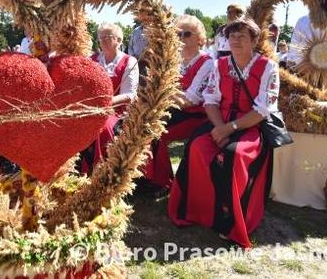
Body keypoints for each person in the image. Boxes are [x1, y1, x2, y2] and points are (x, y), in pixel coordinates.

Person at [168, 18, 279, 248]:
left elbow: (262, 110)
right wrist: (219, 127)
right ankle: (198, 211)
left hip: (250, 126)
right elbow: (210, 101)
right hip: (220, 121)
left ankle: (229, 219)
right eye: (232, 37)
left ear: (254, 40)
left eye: (242, 37)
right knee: (196, 146)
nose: (236, 41)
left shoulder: (268, 67)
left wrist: (230, 129)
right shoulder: (220, 65)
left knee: (233, 154)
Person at [142, 15, 213, 189]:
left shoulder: (207, 63)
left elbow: (189, 100)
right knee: (141, 125)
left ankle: (161, 183)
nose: (181, 38)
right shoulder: (175, 61)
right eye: (177, 34)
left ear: (200, 39)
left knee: (157, 133)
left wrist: (161, 89)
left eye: (187, 34)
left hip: (198, 116)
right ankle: (143, 178)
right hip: (174, 111)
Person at [79, 23, 139, 174]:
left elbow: (130, 95)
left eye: (108, 37)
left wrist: (105, 103)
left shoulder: (129, 61)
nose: (103, 41)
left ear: (119, 40)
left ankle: (103, 172)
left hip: (118, 111)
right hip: (93, 108)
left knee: (102, 125)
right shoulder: (92, 59)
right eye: (100, 37)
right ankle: (79, 171)